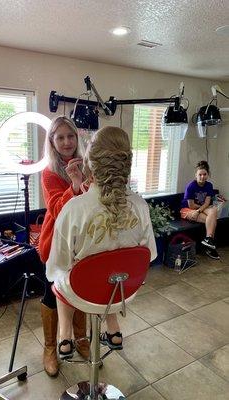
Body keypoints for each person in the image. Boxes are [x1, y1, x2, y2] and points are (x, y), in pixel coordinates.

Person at [46, 126, 157, 359]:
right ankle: (113, 327)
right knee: (109, 272)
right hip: (123, 291)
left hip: (83, 293)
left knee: (57, 276)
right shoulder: (140, 205)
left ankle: (64, 334)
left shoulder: (74, 209)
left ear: (90, 163)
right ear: (126, 164)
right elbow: (150, 255)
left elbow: (58, 264)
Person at [38, 115, 89, 377]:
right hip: (57, 242)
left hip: (83, 242)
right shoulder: (49, 173)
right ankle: (50, 347)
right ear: (52, 141)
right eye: (61, 137)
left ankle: (80, 339)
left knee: (80, 289)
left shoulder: (86, 165)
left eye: (71, 136)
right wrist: (75, 185)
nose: (67, 142)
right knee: (53, 293)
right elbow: (58, 209)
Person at [180, 160, 220, 259]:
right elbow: (192, 205)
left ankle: (208, 239)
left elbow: (207, 202)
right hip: (187, 210)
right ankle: (210, 247)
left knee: (213, 210)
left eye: (205, 174)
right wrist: (202, 209)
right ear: (196, 175)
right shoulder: (191, 186)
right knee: (212, 218)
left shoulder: (209, 185)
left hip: (199, 209)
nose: (202, 177)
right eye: (200, 175)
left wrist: (199, 210)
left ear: (208, 175)